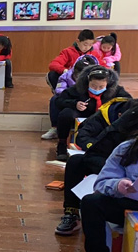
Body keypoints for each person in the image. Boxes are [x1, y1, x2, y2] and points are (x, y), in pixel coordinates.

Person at [55, 97, 137, 235]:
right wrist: (109, 166)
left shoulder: (125, 100)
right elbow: (85, 138)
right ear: (120, 116)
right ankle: (71, 212)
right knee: (76, 161)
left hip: (128, 176)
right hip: (110, 164)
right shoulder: (110, 120)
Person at [66, 137, 138, 252]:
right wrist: (117, 185)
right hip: (131, 203)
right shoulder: (127, 148)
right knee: (91, 203)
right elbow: (101, 183)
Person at [54, 66, 131, 160]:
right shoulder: (78, 88)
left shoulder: (116, 90)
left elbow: (128, 103)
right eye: (93, 86)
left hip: (103, 118)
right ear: (88, 82)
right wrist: (75, 104)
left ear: (108, 84)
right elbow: (58, 101)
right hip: (83, 113)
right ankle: (62, 144)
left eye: (101, 87)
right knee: (66, 114)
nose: (97, 89)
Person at [41, 55, 99, 140]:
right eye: (77, 76)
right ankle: (55, 128)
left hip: (89, 104)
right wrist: (72, 99)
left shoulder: (97, 81)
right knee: (55, 99)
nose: (79, 79)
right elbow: (60, 92)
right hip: (71, 100)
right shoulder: (66, 76)